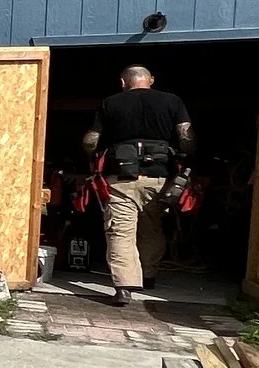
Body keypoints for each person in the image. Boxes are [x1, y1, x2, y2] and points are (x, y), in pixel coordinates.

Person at [82, 64, 193, 305]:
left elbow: (91, 139)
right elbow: (185, 135)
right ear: (151, 79)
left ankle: (124, 287)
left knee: (121, 231)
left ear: (123, 82)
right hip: (159, 178)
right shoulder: (172, 101)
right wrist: (186, 158)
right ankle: (148, 276)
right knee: (152, 226)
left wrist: (92, 158)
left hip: (120, 178)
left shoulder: (110, 102)